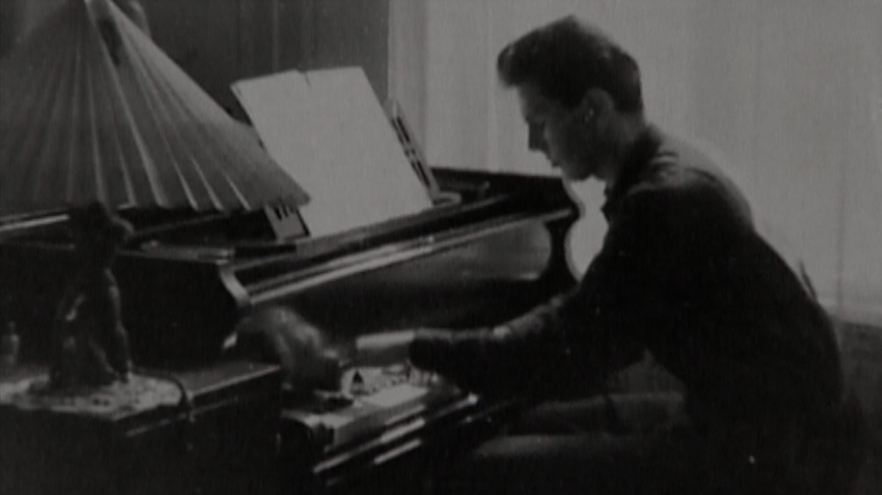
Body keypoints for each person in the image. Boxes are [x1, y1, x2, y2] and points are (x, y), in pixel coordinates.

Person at [356, 15, 866, 495]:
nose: (533, 143)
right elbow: (582, 330)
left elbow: (568, 345)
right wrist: (477, 350)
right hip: (768, 425)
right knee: (515, 421)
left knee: (477, 469)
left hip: (773, 455)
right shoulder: (676, 163)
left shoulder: (664, 200)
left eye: (539, 120)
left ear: (594, 109)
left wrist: (413, 347)